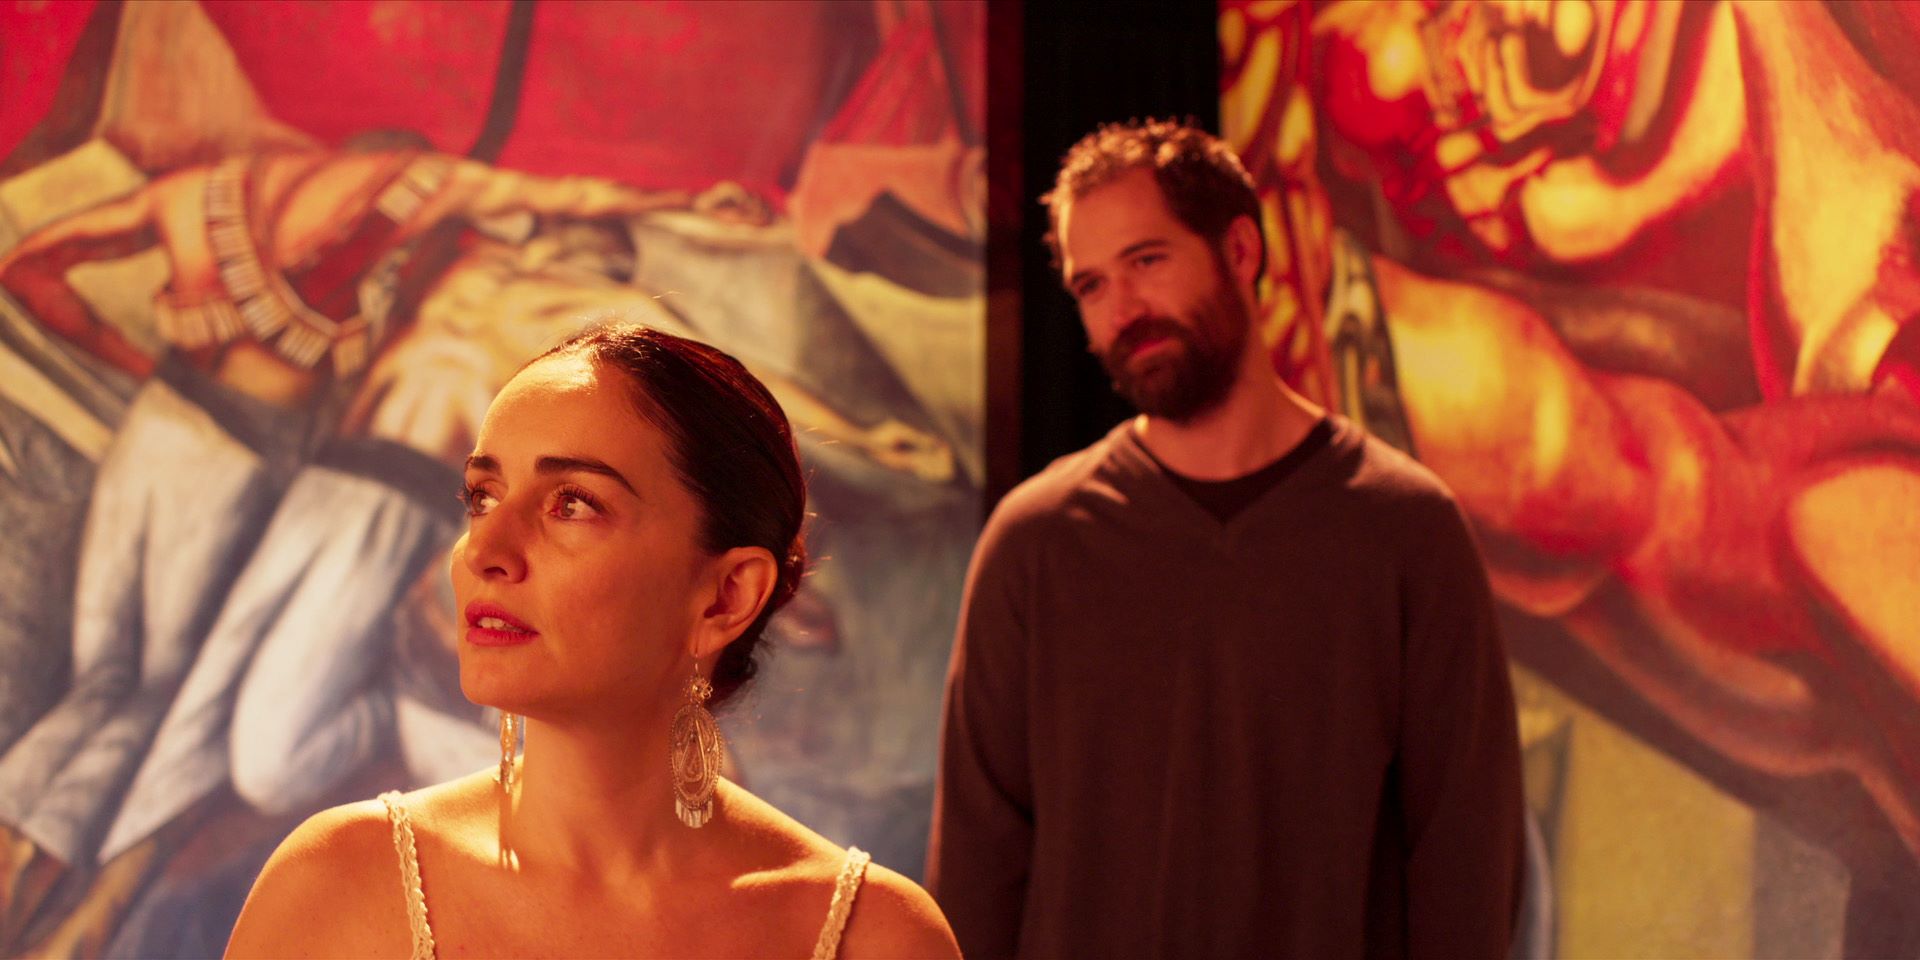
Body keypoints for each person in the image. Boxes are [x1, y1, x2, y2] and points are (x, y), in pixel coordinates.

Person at [926, 119, 1525, 959]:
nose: (1122, 310)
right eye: (1091, 285)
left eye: (1147, 261)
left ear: (1240, 249)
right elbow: (976, 875)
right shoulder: (1037, 544)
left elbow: (1466, 862)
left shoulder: (1404, 530)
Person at [225, 323, 958, 958]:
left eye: (571, 504)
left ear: (727, 595)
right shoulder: (338, 888)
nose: (484, 551)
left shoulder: (873, 937)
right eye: (482, 497)